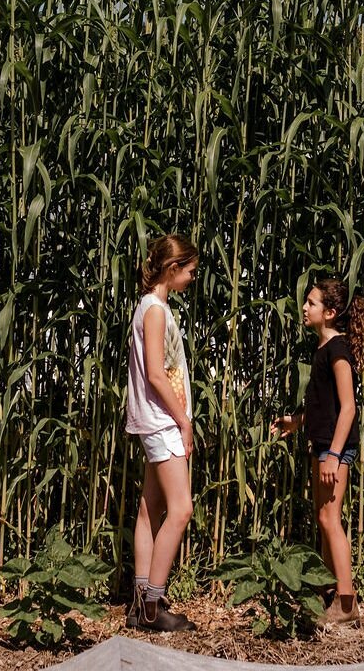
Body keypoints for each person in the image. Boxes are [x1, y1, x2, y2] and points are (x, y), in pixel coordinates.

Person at [269, 277, 364, 626]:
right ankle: (331, 592)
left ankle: (347, 603)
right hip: (324, 445)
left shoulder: (338, 350)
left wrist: (333, 454)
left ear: (329, 313)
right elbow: (322, 406)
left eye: (311, 303)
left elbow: (348, 409)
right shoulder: (323, 349)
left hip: (335, 448)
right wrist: (296, 421)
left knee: (331, 519)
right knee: (324, 519)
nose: (304, 307)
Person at [124, 234, 200, 632]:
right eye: (189, 271)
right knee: (181, 508)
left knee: (149, 508)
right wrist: (184, 421)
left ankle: (141, 602)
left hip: (156, 419)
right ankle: (153, 605)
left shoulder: (154, 307)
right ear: (172, 270)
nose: (191, 278)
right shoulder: (154, 310)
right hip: (161, 420)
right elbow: (156, 372)